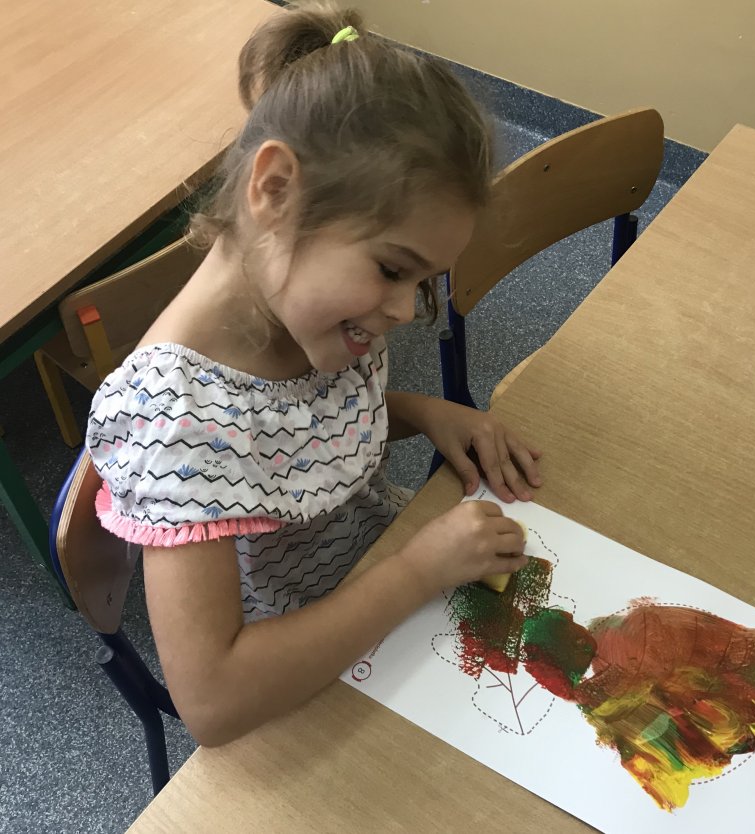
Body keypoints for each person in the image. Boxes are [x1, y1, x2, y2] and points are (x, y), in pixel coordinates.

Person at [86, 1, 542, 746]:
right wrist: (418, 571)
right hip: (301, 687)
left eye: (422, 282)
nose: (405, 309)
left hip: (385, 601)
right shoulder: (176, 422)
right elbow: (213, 702)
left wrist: (423, 413)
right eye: (393, 269)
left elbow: (300, 433)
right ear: (274, 190)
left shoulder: (310, 312)